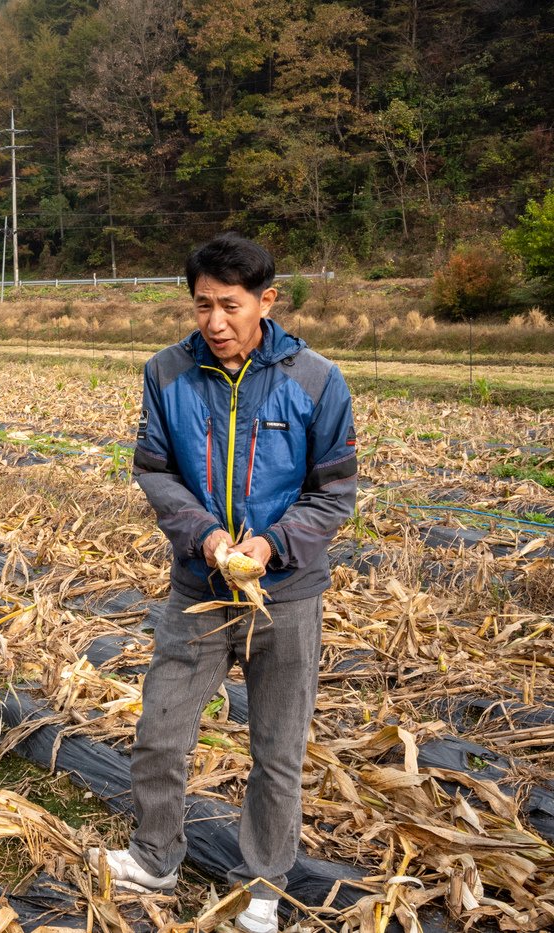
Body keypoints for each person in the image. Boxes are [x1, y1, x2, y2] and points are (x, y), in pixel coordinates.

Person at [90, 232, 357, 933]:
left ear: (267, 301)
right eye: (203, 304)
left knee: (276, 750)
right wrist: (206, 536)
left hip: (286, 594)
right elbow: (155, 469)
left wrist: (271, 544)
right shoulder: (166, 372)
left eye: (230, 305)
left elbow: (333, 494)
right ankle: (155, 854)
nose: (215, 321)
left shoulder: (317, 380)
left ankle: (259, 889)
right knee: (160, 728)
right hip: (197, 585)